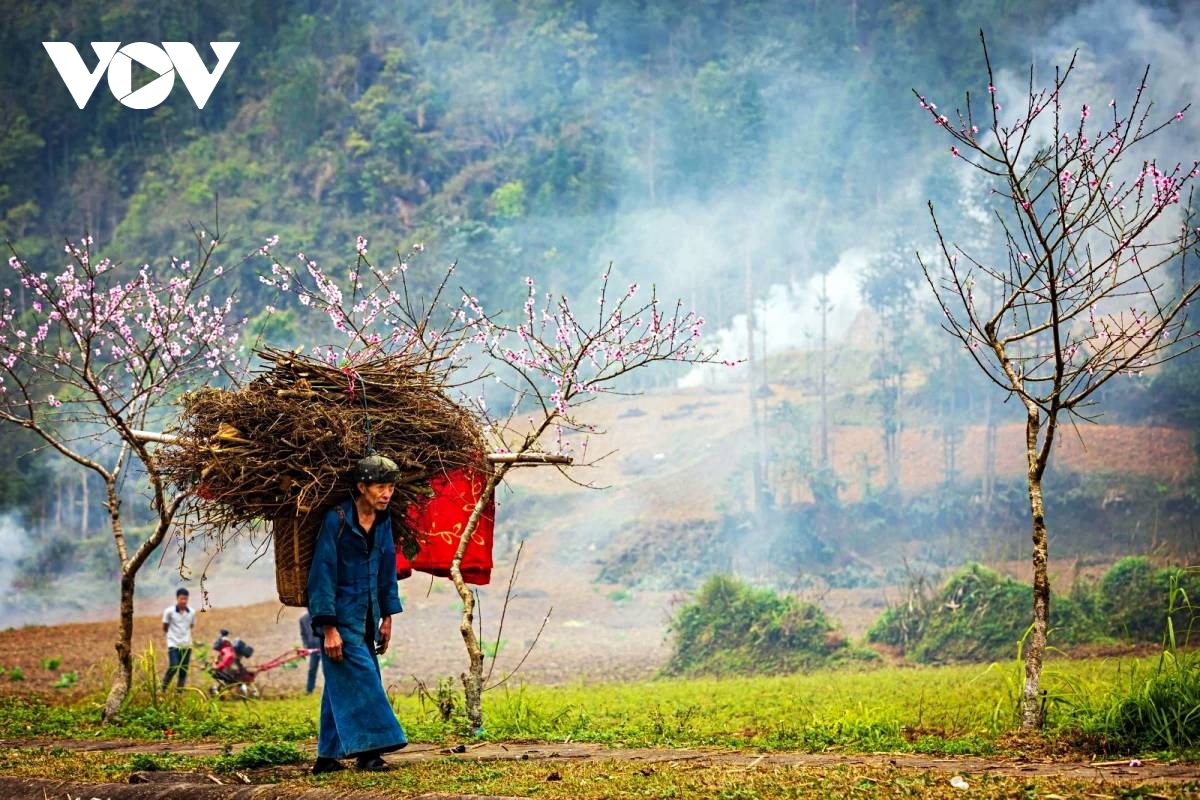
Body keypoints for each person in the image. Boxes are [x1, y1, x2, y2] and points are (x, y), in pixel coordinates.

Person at [306, 454, 407, 774]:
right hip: (340, 618)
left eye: (390, 486)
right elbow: (321, 574)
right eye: (380, 486)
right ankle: (371, 753)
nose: (386, 493)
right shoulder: (336, 520)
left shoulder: (384, 520)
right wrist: (328, 628)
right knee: (365, 681)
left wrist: (387, 616)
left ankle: (326, 758)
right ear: (361, 487)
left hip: (367, 617)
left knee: (343, 683)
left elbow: (387, 567)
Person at [161, 587, 196, 690]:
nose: (183, 601)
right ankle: (162, 689)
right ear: (177, 598)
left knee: (183, 670)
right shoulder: (169, 612)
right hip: (173, 644)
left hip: (186, 645)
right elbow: (165, 627)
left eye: (185, 599)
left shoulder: (191, 612)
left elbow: (191, 626)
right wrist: (174, 635)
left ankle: (179, 693)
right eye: (181, 599)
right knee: (174, 666)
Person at [298, 611, 322, 694]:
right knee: (312, 669)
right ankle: (309, 690)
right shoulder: (303, 619)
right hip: (313, 649)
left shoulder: (321, 616)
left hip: (324, 647)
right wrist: (305, 646)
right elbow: (303, 634)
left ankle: (330, 689)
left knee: (327, 669)